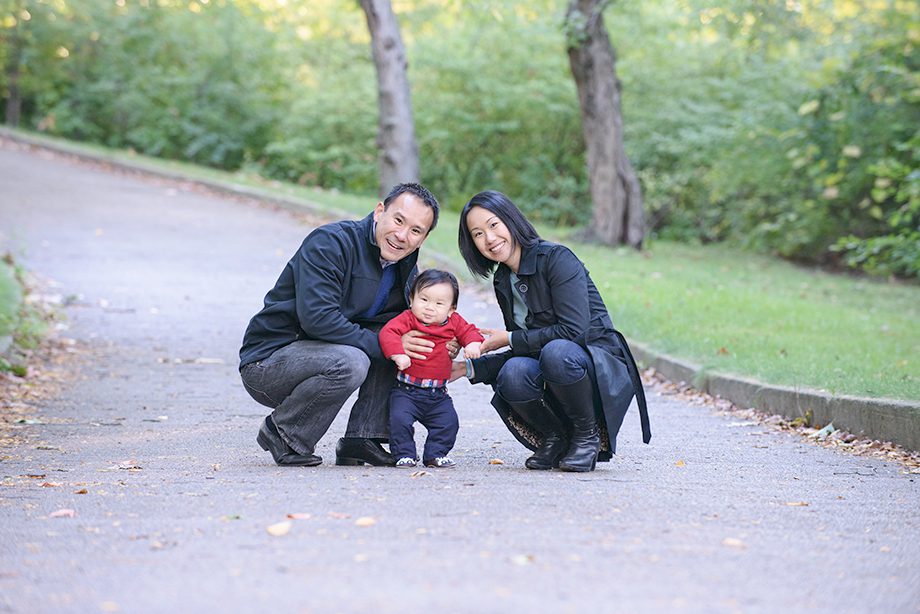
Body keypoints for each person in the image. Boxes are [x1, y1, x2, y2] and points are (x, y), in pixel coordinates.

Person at [239, 183, 442, 467]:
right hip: (269, 363)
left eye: (416, 231)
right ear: (379, 211)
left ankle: (363, 438)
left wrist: (445, 339)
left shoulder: (405, 266)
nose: (402, 236)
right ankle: (284, 432)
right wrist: (388, 343)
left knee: (400, 338)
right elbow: (318, 318)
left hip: (324, 355)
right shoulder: (330, 243)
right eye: (398, 220)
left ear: (423, 238)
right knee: (357, 358)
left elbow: (407, 324)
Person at [453, 190, 650, 472]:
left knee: (557, 352)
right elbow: (526, 349)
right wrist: (467, 368)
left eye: (494, 225)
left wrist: (507, 339)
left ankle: (587, 437)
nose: (490, 238)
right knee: (515, 372)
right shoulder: (503, 279)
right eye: (478, 234)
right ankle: (555, 438)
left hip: (594, 364)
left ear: (511, 220)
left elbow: (573, 333)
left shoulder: (557, 259)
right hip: (556, 361)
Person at [378, 269, 484, 469]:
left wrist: (472, 344)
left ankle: (436, 454)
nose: (429, 308)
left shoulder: (454, 322)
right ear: (412, 299)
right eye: (424, 299)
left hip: (438, 395)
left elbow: (470, 331)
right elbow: (388, 332)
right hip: (406, 391)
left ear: (451, 309)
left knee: (448, 423)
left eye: (439, 303)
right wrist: (397, 353)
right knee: (399, 421)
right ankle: (404, 454)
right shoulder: (408, 318)